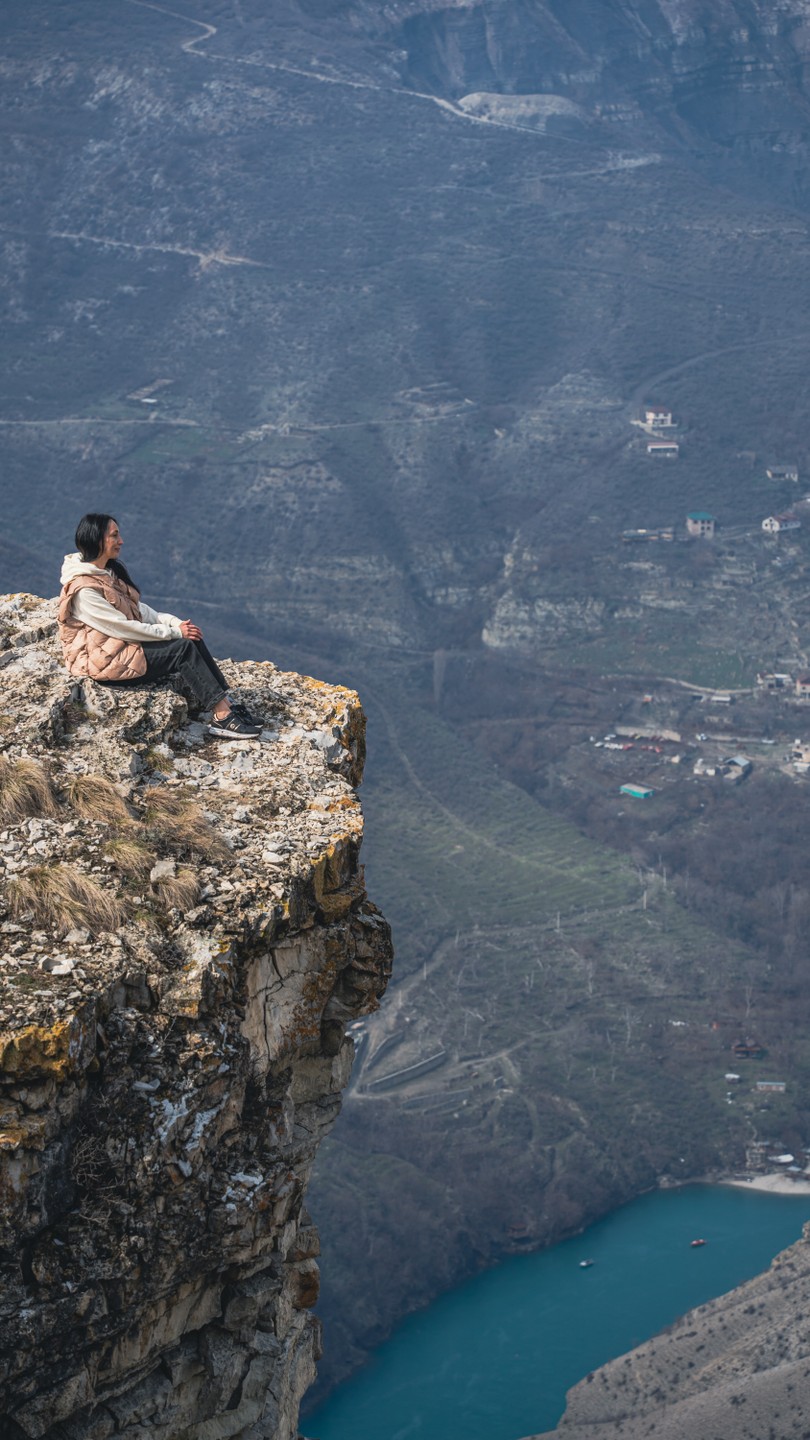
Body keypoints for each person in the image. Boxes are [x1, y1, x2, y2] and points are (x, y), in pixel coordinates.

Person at [58, 513, 261, 739]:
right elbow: (122, 627)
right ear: (97, 540)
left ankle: (227, 704)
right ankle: (222, 717)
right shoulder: (85, 590)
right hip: (104, 662)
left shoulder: (105, 574)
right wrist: (173, 633)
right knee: (182, 649)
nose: (121, 541)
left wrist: (175, 623)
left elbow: (139, 610)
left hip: (120, 648)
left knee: (191, 637)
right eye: (114, 536)